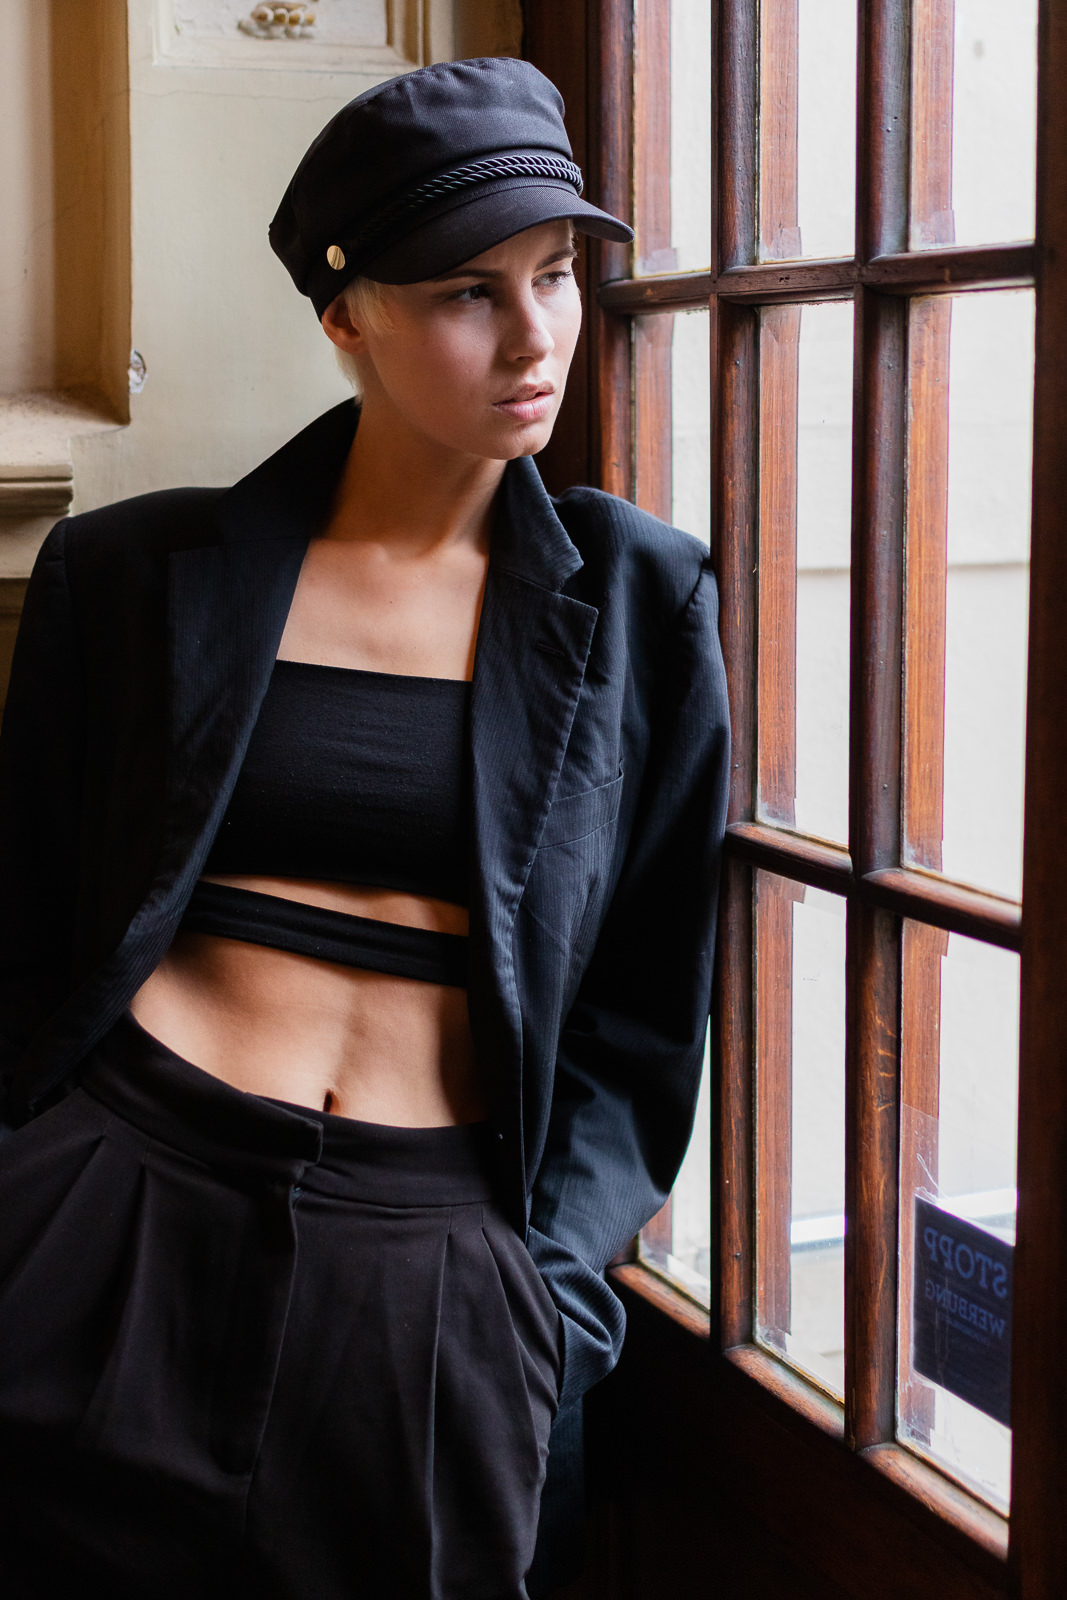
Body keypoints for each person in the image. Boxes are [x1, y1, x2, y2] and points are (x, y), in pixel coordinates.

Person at [0, 55, 729, 1600]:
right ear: (345, 317)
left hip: (435, 1270)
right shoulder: (127, 575)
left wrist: (543, 1302)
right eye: (469, 291)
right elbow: (27, 923)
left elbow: (646, 1016)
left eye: (555, 275)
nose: (535, 336)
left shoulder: (641, 602)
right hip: (114, 1208)